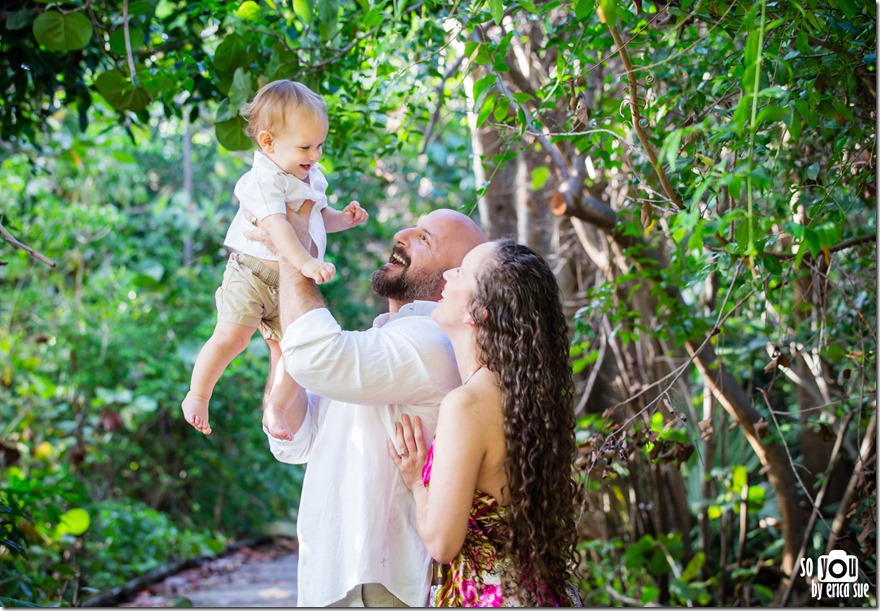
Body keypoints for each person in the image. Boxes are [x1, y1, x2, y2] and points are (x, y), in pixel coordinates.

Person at [257, 207, 488, 607]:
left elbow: (317, 357)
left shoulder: (430, 342)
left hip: (378, 584)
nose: (402, 233)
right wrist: (281, 347)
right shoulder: (383, 342)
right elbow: (296, 439)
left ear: (449, 282)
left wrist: (290, 247)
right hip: (332, 574)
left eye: (424, 238)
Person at [388, 239, 583, 607]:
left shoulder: (467, 405)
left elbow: (443, 544)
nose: (447, 274)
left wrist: (416, 482)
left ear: (478, 312)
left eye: (460, 272)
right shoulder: (529, 400)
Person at [181, 79, 368, 439]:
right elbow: (278, 229)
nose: (314, 155)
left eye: (319, 145)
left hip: (286, 286)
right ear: (268, 142)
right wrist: (306, 264)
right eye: (305, 146)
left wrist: (343, 218)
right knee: (231, 337)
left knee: (292, 353)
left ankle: (276, 409)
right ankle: (198, 394)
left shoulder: (310, 176)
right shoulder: (263, 180)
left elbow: (318, 218)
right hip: (252, 272)